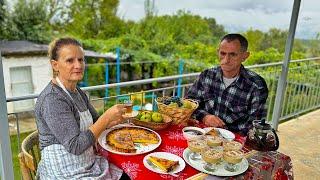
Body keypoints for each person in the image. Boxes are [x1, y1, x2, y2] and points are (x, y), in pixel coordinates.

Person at [35, 37, 131, 179]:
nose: (78, 65)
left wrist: (115, 120)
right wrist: (106, 118)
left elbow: (96, 121)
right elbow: (76, 146)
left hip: (87, 163)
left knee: (128, 173)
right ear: (55, 65)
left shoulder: (77, 91)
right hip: (64, 170)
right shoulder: (52, 99)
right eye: (70, 60)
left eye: (81, 60)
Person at [186, 33, 268, 135]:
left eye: (233, 54)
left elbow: (256, 126)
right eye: (223, 53)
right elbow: (189, 104)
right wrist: (204, 117)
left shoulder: (256, 86)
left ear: (245, 56)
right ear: (218, 52)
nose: (226, 60)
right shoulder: (206, 75)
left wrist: (227, 138)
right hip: (203, 136)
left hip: (235, 144)